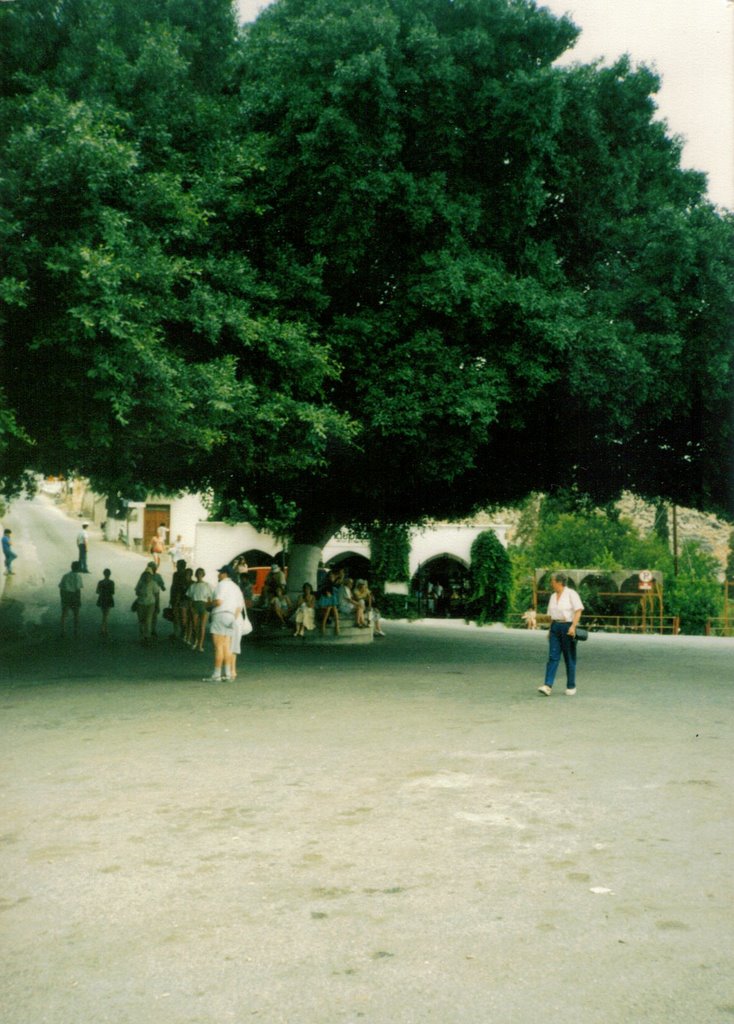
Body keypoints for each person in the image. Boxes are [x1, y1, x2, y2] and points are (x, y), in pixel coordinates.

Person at [537, 571, 584, 697]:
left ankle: (571, 685)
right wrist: (549, 630)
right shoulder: (552, 597)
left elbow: (578, 610)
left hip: (567, 626)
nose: (551, 584)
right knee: (553, 656)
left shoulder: (571, 594)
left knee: (569, 657)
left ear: (559, 582)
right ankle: (548, 685)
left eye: (552, 581)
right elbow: (551, 616)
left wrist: (573, 626)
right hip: (555, 627)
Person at [204, 566, 243, 682]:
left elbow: (219, 601)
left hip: (220, 615)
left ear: (225, 574)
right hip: (231, 617)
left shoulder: (221, 585)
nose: (218, 575)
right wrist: (233, 619)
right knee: (227, 647)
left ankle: (216, 674)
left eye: (220, 573)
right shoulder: (236, 587)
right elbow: (239, 606)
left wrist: (209, 604)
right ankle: (227, 673)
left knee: (218, 647)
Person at [187, 568, 213, 652]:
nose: (199, 575)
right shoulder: (193, 586)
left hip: (204, 605)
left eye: (201, 573)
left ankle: (200, 645)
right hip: (195, 605)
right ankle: (195, 641)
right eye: (198, 573)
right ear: (196, 575)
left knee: (202, 626)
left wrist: (209, 608)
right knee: (195, 626)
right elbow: (190, 598)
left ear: (203, 574)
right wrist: (191, 607)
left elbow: (209, 598)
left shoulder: (207, 585)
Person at [134, 564, 159, 643]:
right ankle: (142, 636)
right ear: (144, 575)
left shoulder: (154, 583)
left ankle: (147, 637)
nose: (147, 576)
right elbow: (136, 592)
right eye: (146, 575)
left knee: (148, 620)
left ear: (151, 576)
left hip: (150, 604)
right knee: (141, 620)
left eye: (149, 575)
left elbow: (156, 595)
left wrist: (157, 605)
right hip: (140, 603)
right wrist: (141, 593)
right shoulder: (140, 583)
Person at [59, 560, 83, 637]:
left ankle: (63, 630)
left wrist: (62, 598)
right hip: (75, 596)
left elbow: (61, 588)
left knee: (64, 614)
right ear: (78, 568)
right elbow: (78, 589)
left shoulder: (65, 576)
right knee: (76, 614)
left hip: (66, 595)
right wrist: (79, 599)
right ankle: (75, 631)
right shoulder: (78, 576)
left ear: (71, 567)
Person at [95, 568, 115, 637]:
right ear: (110, 574)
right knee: (106, 615)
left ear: (103, 574)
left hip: (102, 598)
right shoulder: (112, 582)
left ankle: (103, 629)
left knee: (104, 614)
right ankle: (104, 630)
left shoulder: (100, 582)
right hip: (109, 599)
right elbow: (113, 592)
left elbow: (97, 591)